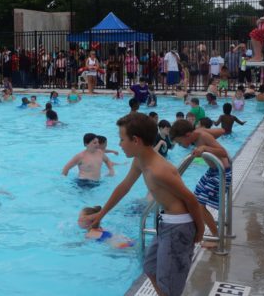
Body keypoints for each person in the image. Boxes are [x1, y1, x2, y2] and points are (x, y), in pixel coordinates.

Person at [84, 113, 204, 296]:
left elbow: (191, 200)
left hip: (178, 227)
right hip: (165, 223)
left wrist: (200, 231)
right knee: (150, 267)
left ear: (136, 140)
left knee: (169, 283)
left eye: (122, 139)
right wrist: (101, 215)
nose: (119, 144)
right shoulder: (140, 160)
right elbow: (124, 187)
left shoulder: (159, 170)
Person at [170, 119, 231, 249]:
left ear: (187, 135)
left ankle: (216, 237)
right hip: (212, 171)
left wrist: (205, 148)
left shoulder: (203, 136)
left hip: (222, 173)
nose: (181, 145)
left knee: (199, 205)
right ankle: (199, 228)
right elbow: (219, 131)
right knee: (193, 199)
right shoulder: (197, 133)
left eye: (180, 142)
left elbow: (224, 152)